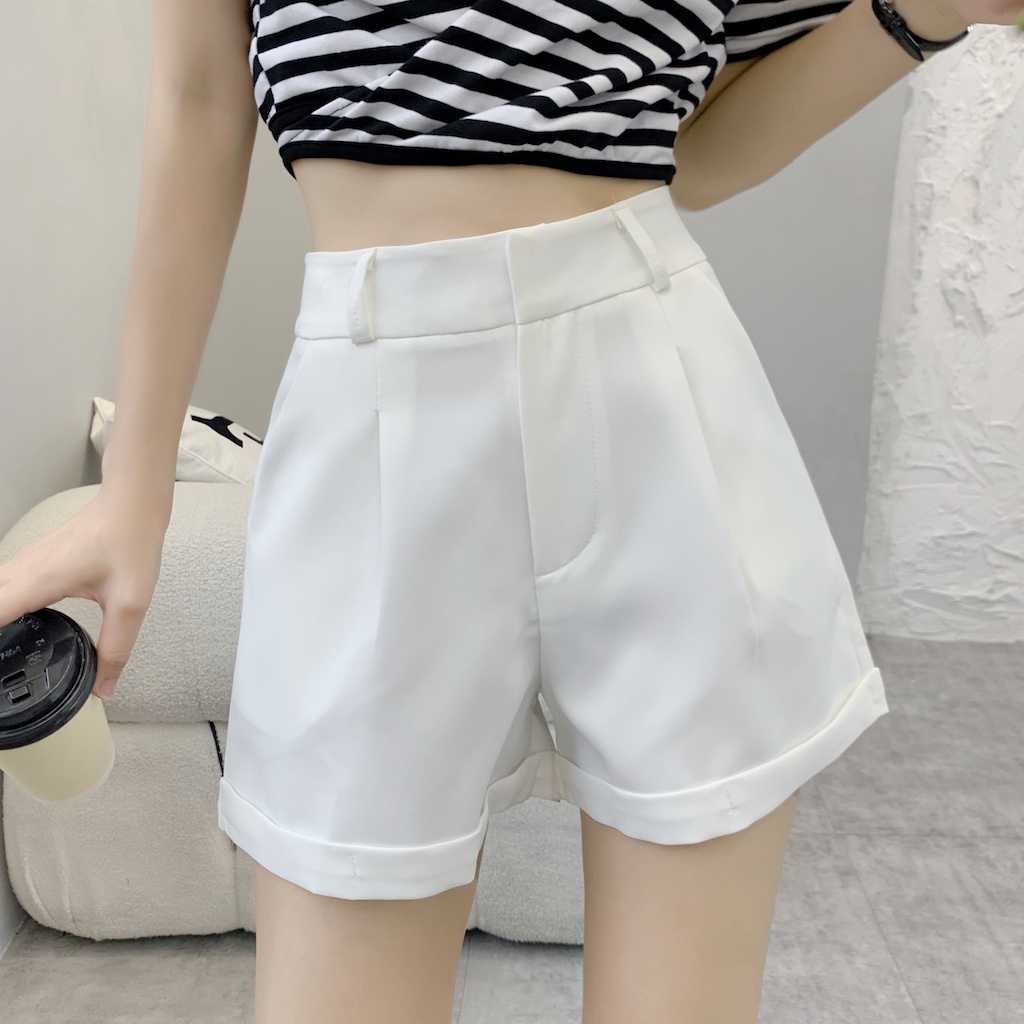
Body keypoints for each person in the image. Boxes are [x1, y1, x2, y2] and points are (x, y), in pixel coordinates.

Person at [1, 0, 1014, 1021]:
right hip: (373, 420)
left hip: (655, 406)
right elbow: (198, 98)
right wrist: (137, 488)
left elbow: (694, 149)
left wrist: (923, 11)